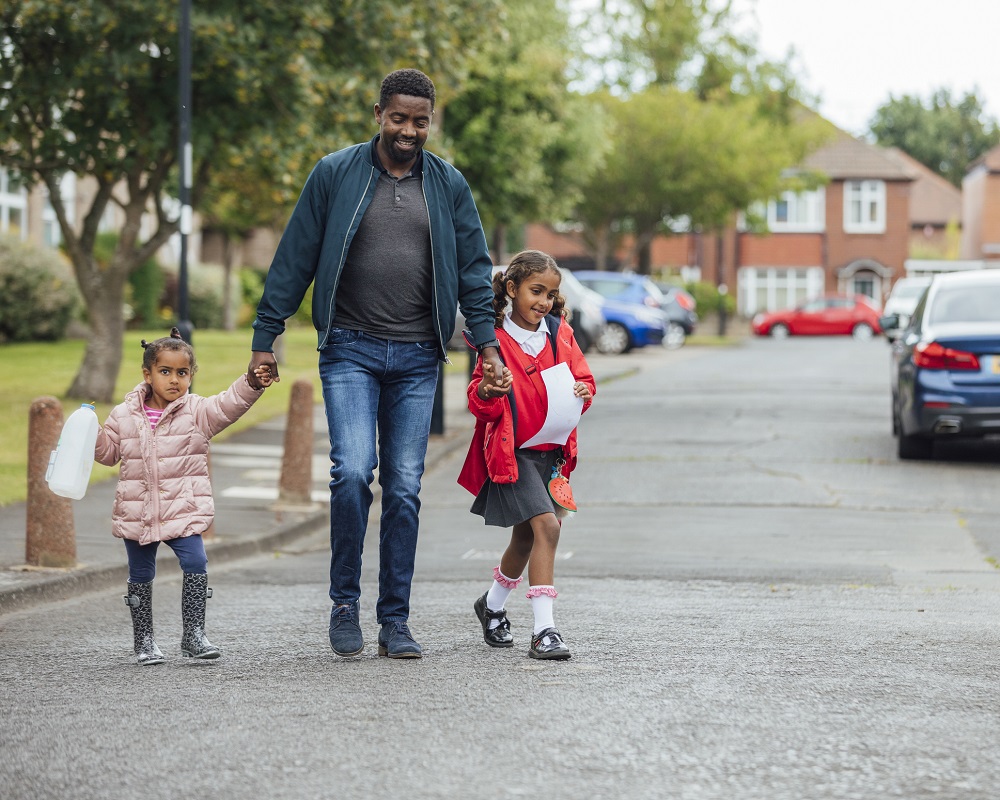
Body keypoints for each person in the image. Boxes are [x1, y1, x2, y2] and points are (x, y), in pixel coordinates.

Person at [247, 68, 506, 660]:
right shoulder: (335, 173)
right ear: (378, 114)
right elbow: (295, 257)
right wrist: (268, 333)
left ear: (429, 121)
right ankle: (344, 605)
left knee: (407, 487)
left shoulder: (448, 184)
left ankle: (395, 619)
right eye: (398, 118)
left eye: (420, 121)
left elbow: (473, 270)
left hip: (418, 356)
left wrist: (487, 343)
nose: (409, 130)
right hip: (350, 349)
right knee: (352, 471)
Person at [95, 328, 273, 665]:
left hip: (184, 508)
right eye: (165, 371)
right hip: (140, 511)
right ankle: (144, 641)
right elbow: (107, 454)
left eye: (183, 372)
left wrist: (252, 382)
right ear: (147, 374)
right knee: (141, 573)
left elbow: (229, 404)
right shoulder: (123, 415)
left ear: (191, 375)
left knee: (196, 563)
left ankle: (193, 634)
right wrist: (89, 433)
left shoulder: (197, 412)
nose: (174, 380)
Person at [458, 250, 595, 660]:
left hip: (550, 457)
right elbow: (478, 399)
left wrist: (585, 391)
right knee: (548, 527)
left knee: (524, 538)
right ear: (513, 289)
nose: (544, 302)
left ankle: (492, 606)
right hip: (511, 453)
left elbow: (583, 378)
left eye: (551, 294)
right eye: (536, 291)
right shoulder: (494, 341)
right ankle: (545, 630)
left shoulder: (559, 334)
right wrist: (487, 391)